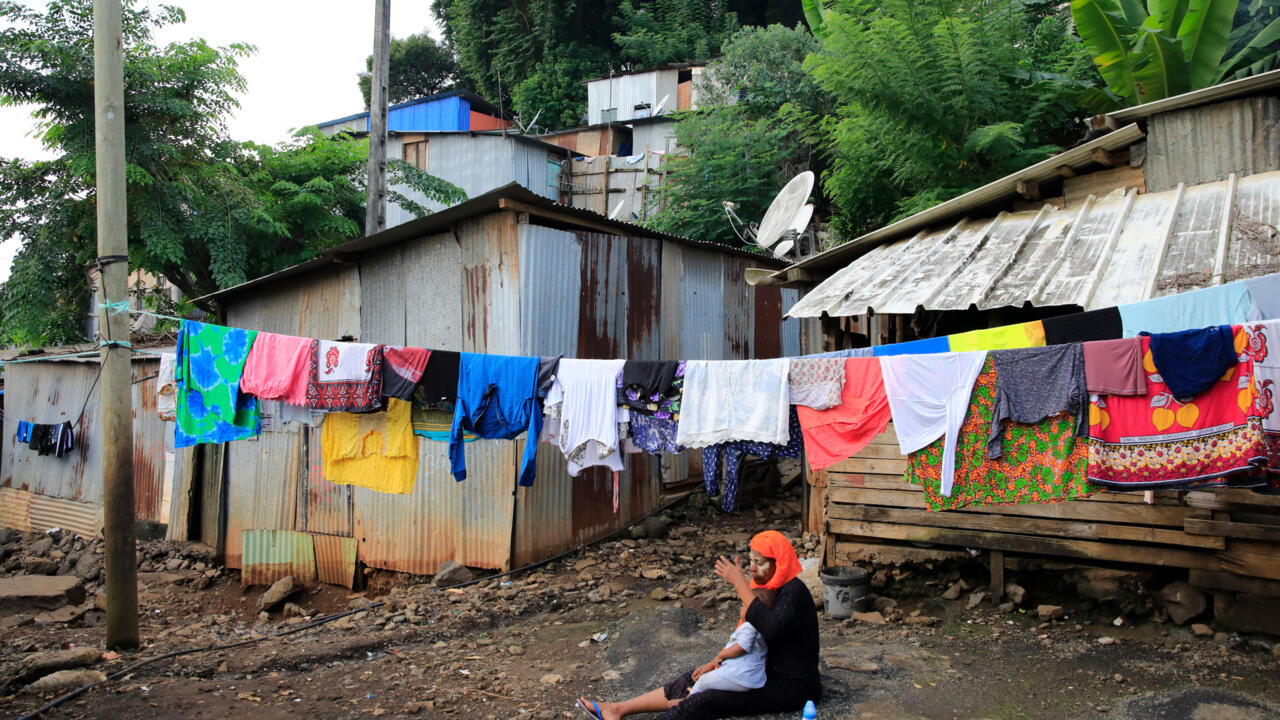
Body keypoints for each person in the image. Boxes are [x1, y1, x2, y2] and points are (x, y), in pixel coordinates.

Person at [579, 530, 821, 720]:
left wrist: (740, 585)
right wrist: (717, 662)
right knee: (693, 677)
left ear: (778, 563)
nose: (752, 568)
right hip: (760, 672)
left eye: (759, 562)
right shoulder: (771, 589)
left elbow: (770, 629)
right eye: (750, 561)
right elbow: (749, 637)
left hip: (792, 687)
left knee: (705, 701)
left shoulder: (793, 592)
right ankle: (617, 709)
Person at [666, 588, 776, 705]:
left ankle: (687, 701)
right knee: (711, 683)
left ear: (754, 612)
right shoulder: (762, 628)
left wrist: (720, 655)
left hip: (740, 676)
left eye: (743, 607)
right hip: (753, 678)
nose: (740, 609)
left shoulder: (749, 626)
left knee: (704, 681)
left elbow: (742, 647)